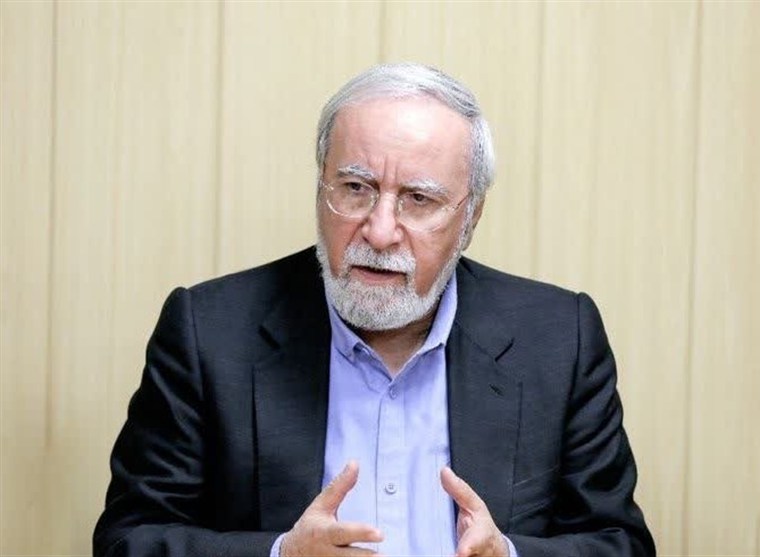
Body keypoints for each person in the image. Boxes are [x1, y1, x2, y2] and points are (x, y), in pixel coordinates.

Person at [94, 63, 655, 557]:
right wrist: (281, 554)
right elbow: (128, 540)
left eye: (419, 199)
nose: (380, 231)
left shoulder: (558, 338)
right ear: (321, 187)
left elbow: (619, 543)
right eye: (356, 188)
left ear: (471, 218)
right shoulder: (208, 332)